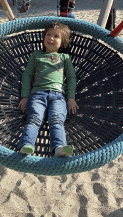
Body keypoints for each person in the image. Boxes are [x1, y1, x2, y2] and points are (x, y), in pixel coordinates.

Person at [17, 22, 79, 157]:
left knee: (56, 120)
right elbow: (27, 75)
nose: (51, 38)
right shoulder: (37, 55)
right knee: (34, 118)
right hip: (37, 94)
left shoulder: (64, 57)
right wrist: (25, 96)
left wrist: (71, 98)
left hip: (59, 96)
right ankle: (26, 145)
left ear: (63, 42)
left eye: (56, 36)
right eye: (48, 35)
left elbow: (71, 78)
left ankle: (59, 147)